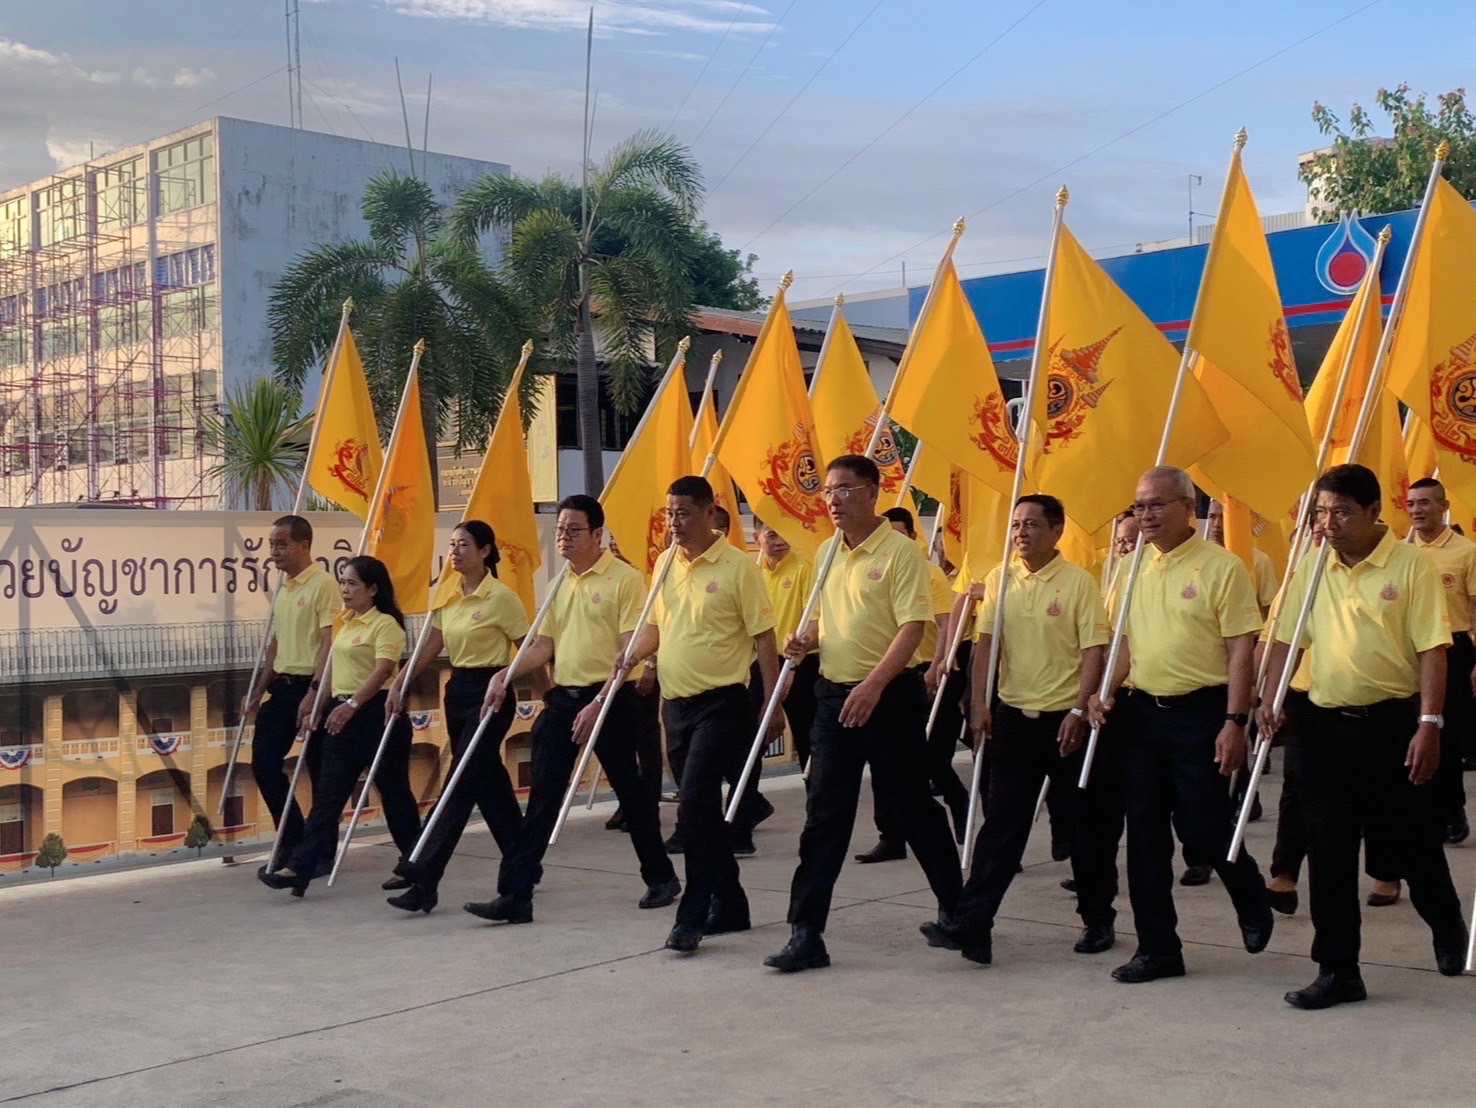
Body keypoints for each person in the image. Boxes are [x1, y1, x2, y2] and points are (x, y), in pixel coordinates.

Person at [1260, 464, 1469, 1008]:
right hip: (1323, 728)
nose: (1328, 523)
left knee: (1413, 842)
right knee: (1328, 850)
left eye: (1342, 512)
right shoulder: (1312, 566)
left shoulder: (1411, 565)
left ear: (1375, 512)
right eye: (1321, 512)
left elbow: (1432, 649)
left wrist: (1429, 725)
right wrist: (1269, 700)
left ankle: (1447, 925)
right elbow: (1286, 640)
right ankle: (1338, 969)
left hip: (1393, 726)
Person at [764, 455, 963, 973]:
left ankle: (958, 912)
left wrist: (874, 685)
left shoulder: (901, 553)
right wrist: (806, 641)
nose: (833, 500)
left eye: (845, 489)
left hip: (890, 699)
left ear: (873, 492)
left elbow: (913, 627)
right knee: (824, 815)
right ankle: (805, 933)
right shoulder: (827, 551)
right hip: (834, 699)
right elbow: (828, 623)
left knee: (913, 807)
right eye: (828, 491)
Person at [1087, 466, 1274, 983]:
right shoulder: (1129, 570)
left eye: (1157, 505)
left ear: (1188, 508)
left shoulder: (1222, 567)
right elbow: (1125, 643)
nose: (1145, 515)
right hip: (1141, 716)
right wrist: (1104, 691)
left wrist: (1235, 720)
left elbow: (1241, 650)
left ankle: (1250, 893)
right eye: (1139, 506)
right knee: (1145, 835)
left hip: (1202, 714)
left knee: (1203, 827)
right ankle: (1158, 948)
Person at [463, 496, 682, 925]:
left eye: (573, 529)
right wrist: (506, 674)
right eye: (560, 529)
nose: (564, 536)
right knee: (543, 795)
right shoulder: (559, 583)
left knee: (631, 793)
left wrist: (600, 701)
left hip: (611, 698)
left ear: (598, 534)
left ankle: (661, 877)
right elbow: (544, 646)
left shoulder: (625, 580)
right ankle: (516, 893)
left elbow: (630, 651)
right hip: (565, 698)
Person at [922, 494, 1116, 965]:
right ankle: (973, 925)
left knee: (1083, 827)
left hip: (1065, 723)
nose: (1021, 533)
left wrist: (1078, 711)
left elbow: (1094, 651)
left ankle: (1097, 918)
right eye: (1015, 525)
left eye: (1031, 524)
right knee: (1001, 829)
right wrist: (978, 703)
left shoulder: (1078, 583)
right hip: (1013, 719)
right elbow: (986, 646)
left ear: (1056, 530)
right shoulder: (1000, 579)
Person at [613, 476, 781, 954]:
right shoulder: (666, 563)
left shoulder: (738, 567)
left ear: (710, 512)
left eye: (683, 513)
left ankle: (692, 916)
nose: (675, 523)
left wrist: (772, 701)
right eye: (669, 514)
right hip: (676, 703)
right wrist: (633, 655)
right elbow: (656, 626)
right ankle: (732, 903)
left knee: (693, 805)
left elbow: (764, 636)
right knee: (702, 814)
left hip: (722, 703)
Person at [383, 522, 529, 913]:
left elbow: (529, 648)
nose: (456, 551)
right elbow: (431, 645)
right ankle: (524, 863)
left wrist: (543, 694)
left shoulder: (502, 597)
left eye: (464, 544)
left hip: (491, 692)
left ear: (485, 551)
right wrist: (400, 682)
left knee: (459, 781)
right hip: (458, 689)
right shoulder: (447, 594)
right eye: (452, 544)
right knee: (488, 783)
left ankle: (424, 875)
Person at [259, 556, 420, 898]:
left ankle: (416, 862)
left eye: (352, 584)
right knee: (328, 797)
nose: (344, 589)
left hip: (376, 714)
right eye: (343, 582)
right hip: (340, 713)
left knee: (394, 795)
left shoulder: (386, 625)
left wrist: (353, 705)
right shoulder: (344, 622)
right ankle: (299, 868)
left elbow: (382, 670)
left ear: (372, 589)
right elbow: (332, 667)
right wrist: (318, 703)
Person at [857, 506, 968, 855]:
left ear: (912, 536)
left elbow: (946, 621)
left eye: (899, 533)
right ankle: (890, 835)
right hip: (883, 672)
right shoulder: (870, 566)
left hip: (922, 670)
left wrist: (938, 664)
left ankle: (958, 800)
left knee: (926, 754)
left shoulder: (927, 572)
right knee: (881, 761)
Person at [242, 515, 339, 875]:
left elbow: (329, 643)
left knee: (320, 770)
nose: (275, 551)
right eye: (272, 544)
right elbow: (276, 643)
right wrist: (257, 689)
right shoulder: (285, 586)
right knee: (264, 762)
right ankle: (292, 837)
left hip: (313, 687)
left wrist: (315, 691)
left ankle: (321, 853)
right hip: (282, 686)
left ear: (304, 545)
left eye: (282, 544)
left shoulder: (323, 585)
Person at [1406, 477, 1475, 843]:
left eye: (1425, 502)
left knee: (1444, 735)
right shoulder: (1400, 552)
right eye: (1411, 503)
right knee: (1405, 732)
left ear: (1444, 507)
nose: (1417, 510)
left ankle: (1451, 810)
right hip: (1408, 654)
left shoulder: (1467, 552)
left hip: (1452, 651)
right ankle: (1416, 809)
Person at [753, 519, 820, 773]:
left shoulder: (805, 567)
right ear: (757, 538)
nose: (780, 541)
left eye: (784, 534)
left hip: (800, 662)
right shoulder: (753, 573)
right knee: (753, 736)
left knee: (807, 736)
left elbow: (813, 618)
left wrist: (793, 665)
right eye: (771, 535)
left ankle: (815, 790)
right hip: (762, 661)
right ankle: (748, 793)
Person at [1206, 499, 1279, 616]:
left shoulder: (1260, 561)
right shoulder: (1199, 557)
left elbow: (1270, 610)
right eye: (1212, 517)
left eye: (1223, 517)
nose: (1217, 524)